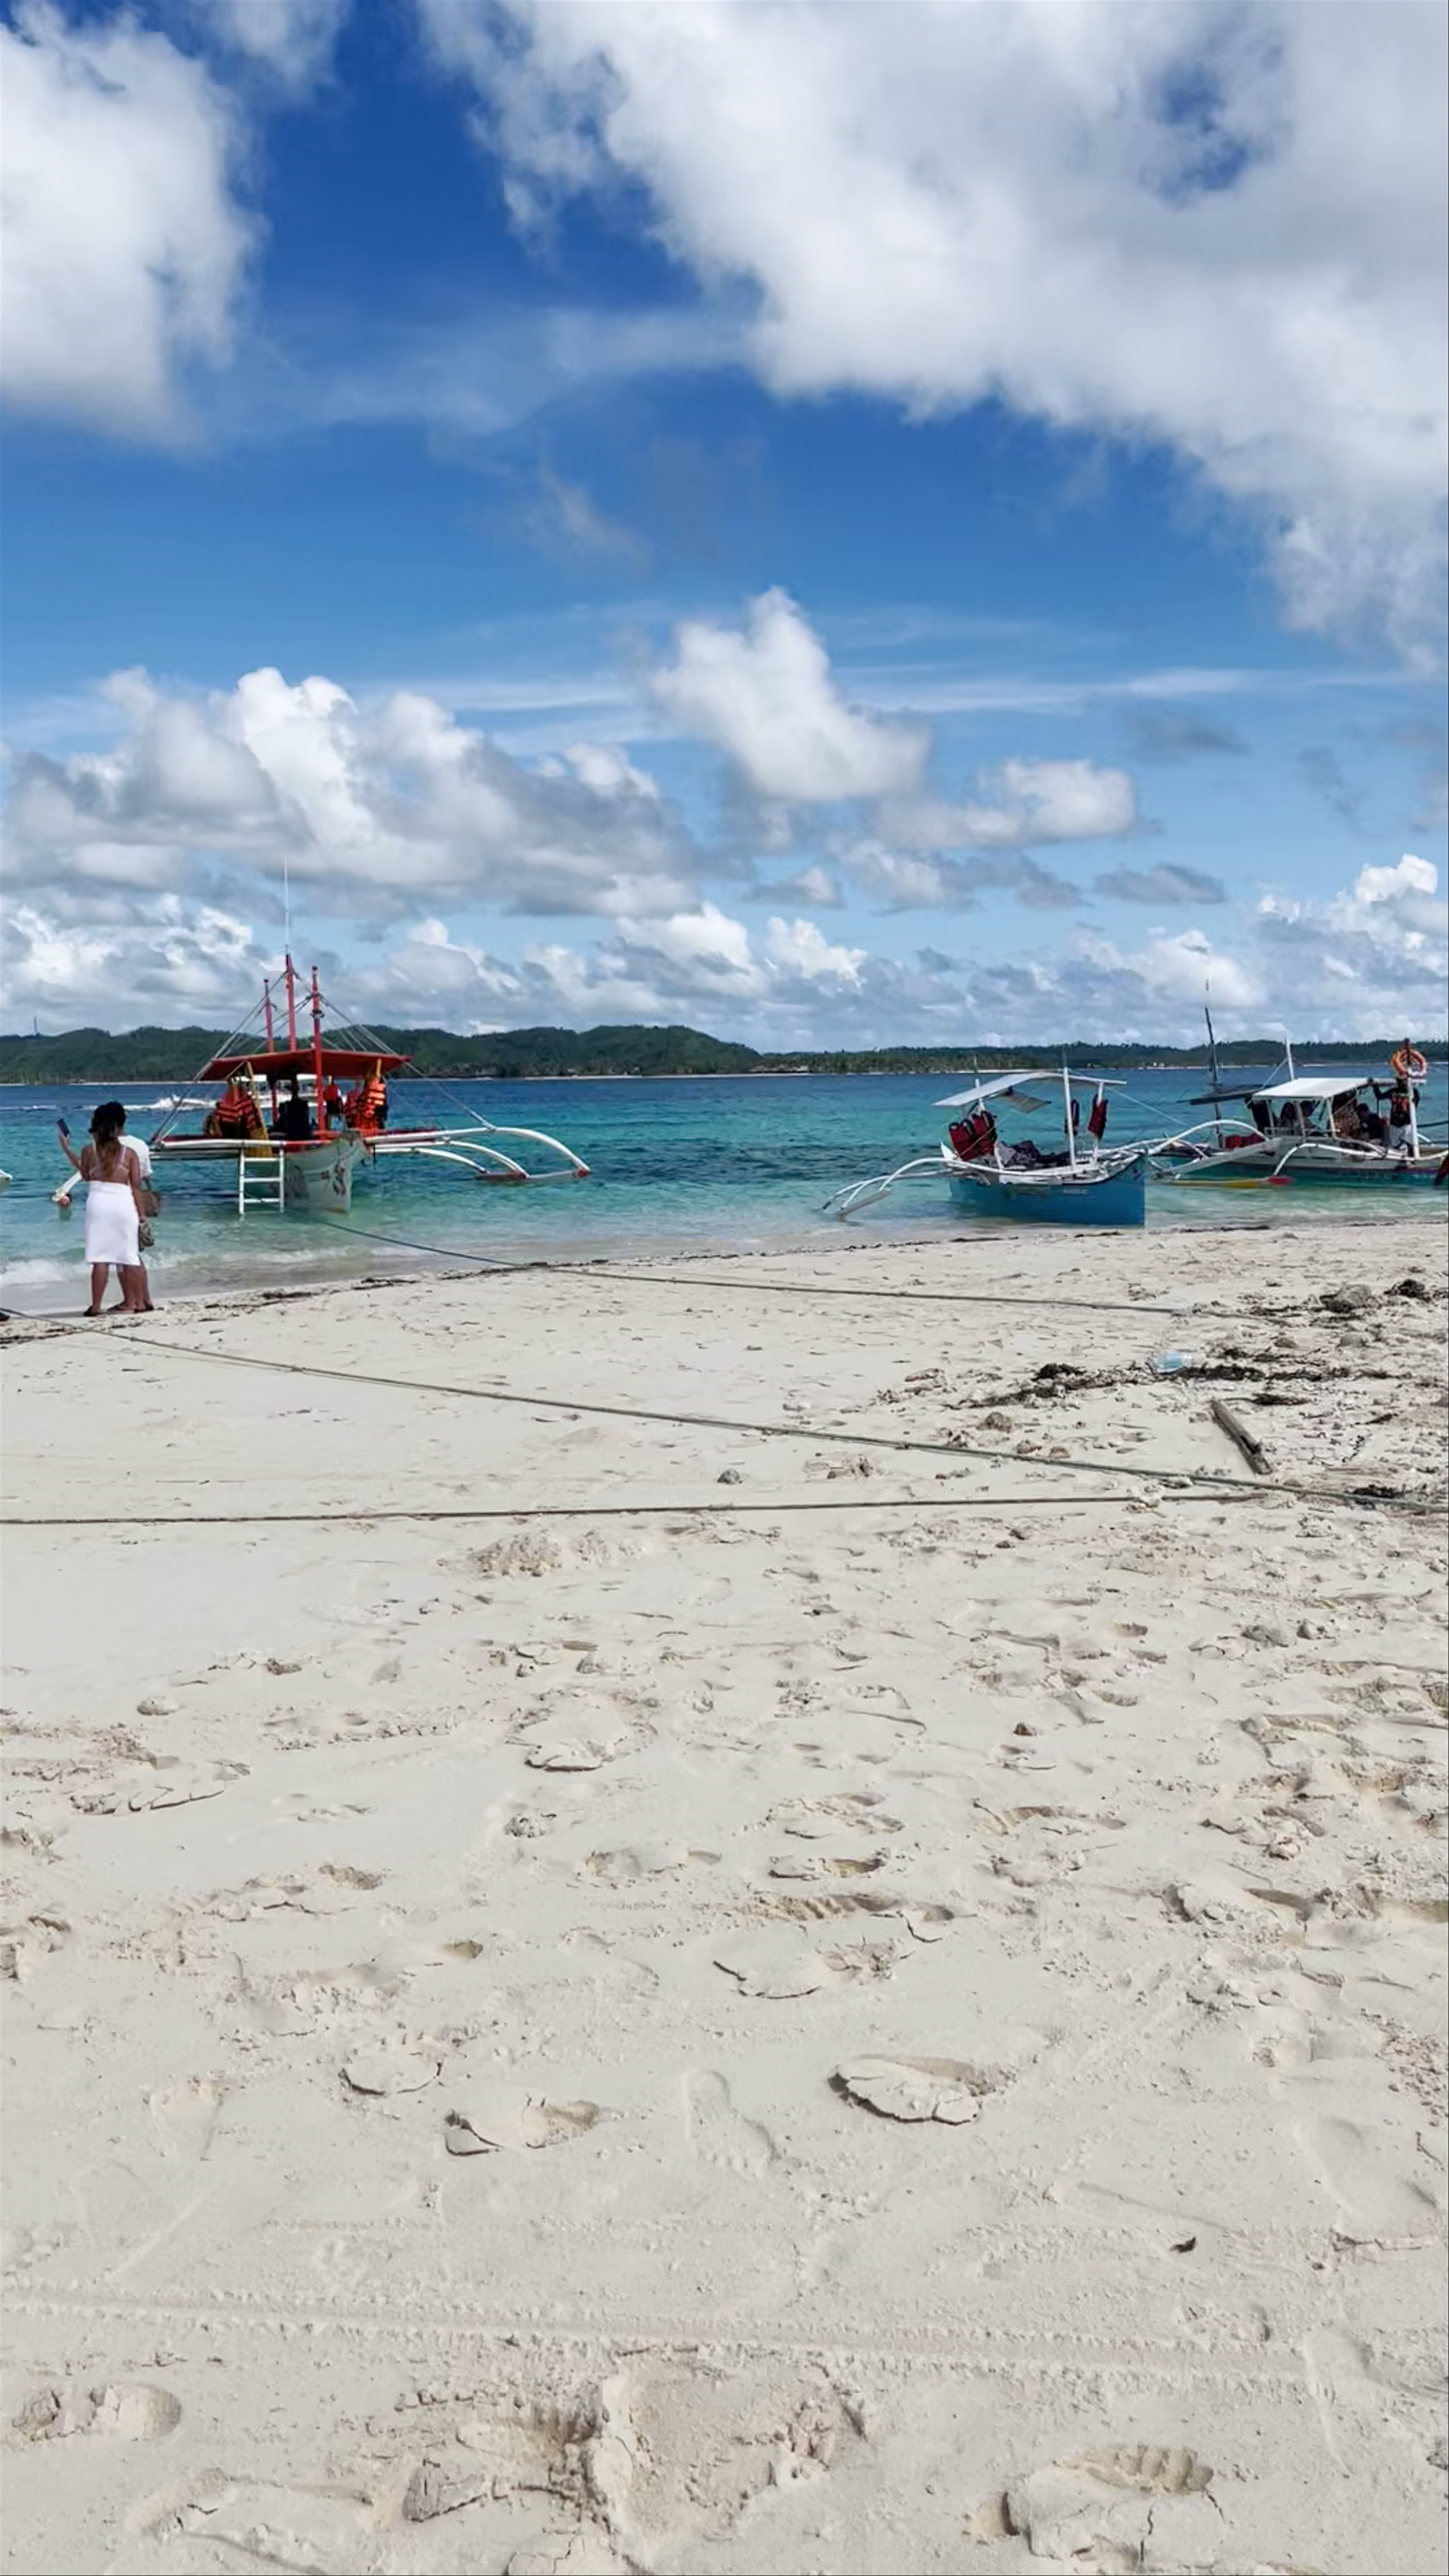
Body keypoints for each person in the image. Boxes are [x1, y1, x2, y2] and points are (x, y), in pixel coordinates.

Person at [57, 1104, 148, 1316]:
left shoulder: (90, 1151)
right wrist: (142, 1216)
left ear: (96, 1130)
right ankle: (140, 1303)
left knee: (100, 1257)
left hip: (99, 1202)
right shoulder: (130, 1153)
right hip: (123, 1203)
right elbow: (136, 1187)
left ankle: (96, 1306)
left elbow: (87, 1176)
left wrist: (67, 1149)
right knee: (130, 1256)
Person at [273, 1076, 315, 1140]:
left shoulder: (288, 1106)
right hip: (305, 1136)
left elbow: (279, 1126)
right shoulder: (304, 1105)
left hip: (293, 1136)